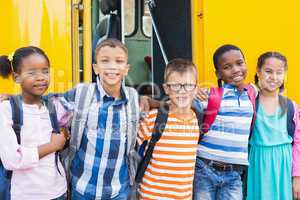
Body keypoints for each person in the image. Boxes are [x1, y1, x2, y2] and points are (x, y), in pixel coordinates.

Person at [60, 38, 140, 200]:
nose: (112, 66)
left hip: (117, 189)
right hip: (82, 187)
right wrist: (13, 99)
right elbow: (53, 101)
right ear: (95, 68)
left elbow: (142, 116)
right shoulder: (82, 93)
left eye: (119, 61)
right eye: (105, 61)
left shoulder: (133, 97)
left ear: (126, 69)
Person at [0, 46, 68, 200]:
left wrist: (64, 133)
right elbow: (12, 159)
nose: (41, 77)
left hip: (58, 191)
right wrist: (52, 146)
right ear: (16, 77)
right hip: (24, 194)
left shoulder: (54, 106)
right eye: (32, 73)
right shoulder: (6, 110)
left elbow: (68, 124)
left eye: (45, 71)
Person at [193, 44, 255, 200]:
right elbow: (180, 104)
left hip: (234, 174)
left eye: (240, 63)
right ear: (218, 73)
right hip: (204, 168)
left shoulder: (253, 94)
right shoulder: (212, 95)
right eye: (227, 67)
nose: (235, 69)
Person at [137, 58, 200, 199]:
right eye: (176, 86)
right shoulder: (154, 118)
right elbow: (130, 148)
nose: (182, 91)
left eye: (188, 85)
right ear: (166, 88)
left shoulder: (197, 119)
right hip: (151, 195)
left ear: (196, 88)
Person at [247, 52, 300, 200]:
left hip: (284, 167)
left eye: (279, 73)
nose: (274, 77)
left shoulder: (291, 106)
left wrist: (297, 176)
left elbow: (298, 144)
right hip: (258, 166)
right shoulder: (250, 103)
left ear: (285, 75)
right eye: (268, 71)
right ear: (258, 72)